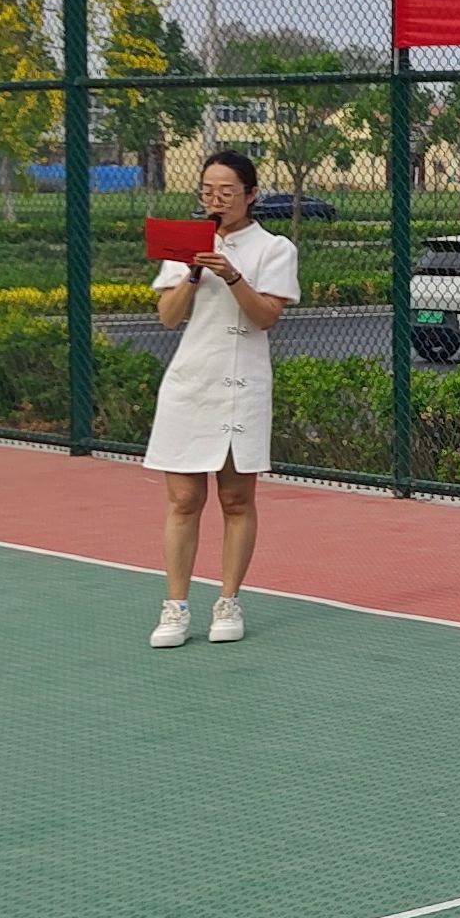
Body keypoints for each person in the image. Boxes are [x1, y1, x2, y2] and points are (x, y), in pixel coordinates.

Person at [144, 150, 301, 648]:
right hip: (190, 383)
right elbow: (168, 317)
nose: (216, 200)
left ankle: (228, 600)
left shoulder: (274, 248)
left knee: (236, 499)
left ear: (251, 195)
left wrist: (232, 275)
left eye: (227, 192)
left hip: (243, 385)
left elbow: (266, 317)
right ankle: (175, 606)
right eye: (208, 191)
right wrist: (192, 274)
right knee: (184, 500)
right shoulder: (185, 244)